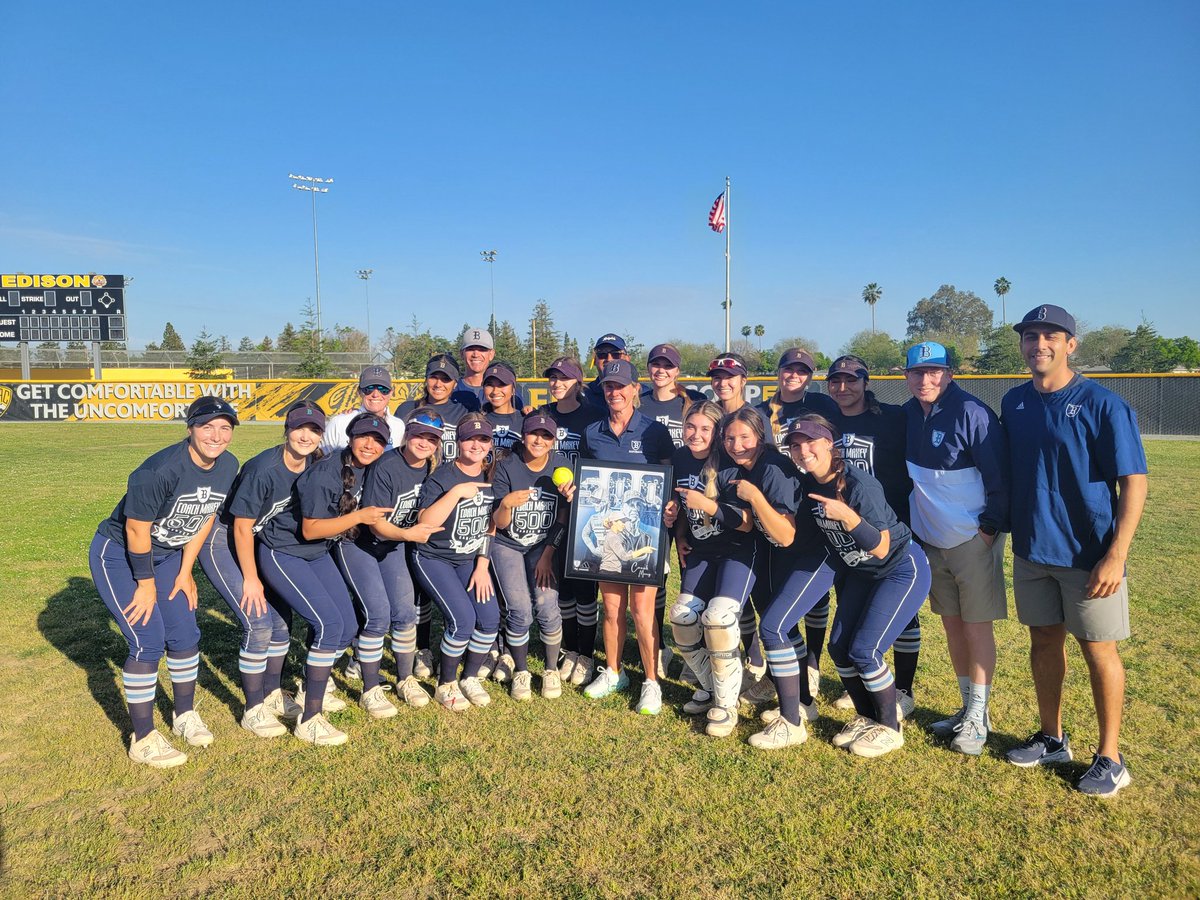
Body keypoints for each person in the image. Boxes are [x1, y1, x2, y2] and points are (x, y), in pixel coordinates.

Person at [1002, 304, 1147, 797]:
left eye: (1050, 335)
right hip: (1032, 550)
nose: (1039, 344)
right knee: (1043, 641)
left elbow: (1134, 482)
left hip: (1089, 556)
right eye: (1030, 336)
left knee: (1097, 650)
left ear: (1070, 344)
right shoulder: (1014, 402)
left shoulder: (1103, 404)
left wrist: (1116, 554)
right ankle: (1052, 737)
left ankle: (1111, 757)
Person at [89, 396, 240, 767]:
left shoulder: (228, 465)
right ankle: (142, 739)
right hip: (122, 556)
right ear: (190, 428)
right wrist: (145, 583)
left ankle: (184, 714)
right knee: (147, 641)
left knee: (185, 634)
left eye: (225, 428)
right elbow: (137, 529)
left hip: (170, 556)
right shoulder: (158, 471)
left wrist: (187, 569)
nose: (216, 436)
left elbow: (205, 516)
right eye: (207, 427)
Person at [796, 414, 932, 758]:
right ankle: (866, 716)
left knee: (865, 651)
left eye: (811, 441)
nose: (803, 450)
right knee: (840, 648)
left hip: (901, 568)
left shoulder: (858, 483)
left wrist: (849, 517)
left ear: (830, 443)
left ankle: (890, 726)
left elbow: (883, 547)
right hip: (862, 573)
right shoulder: (808, 483)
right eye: (795, 445)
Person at [257, 413, 391, 746]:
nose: (369, 444)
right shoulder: (327, 472)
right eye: (363, 437)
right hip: (284, 550)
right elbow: (310, 528)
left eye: (377, 440)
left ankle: (309, 686)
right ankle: (310, 719)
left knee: (346, 627)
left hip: (316, 553)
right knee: (329, 624)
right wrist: (360, 516)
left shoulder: (367, 468)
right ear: (350, 437)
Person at [903, 341, 1009, 756]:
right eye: (917, 372)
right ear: (906, 376)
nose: (925, 380)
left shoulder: (972, 412)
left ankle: (979, 716)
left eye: (934, 372)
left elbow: (999, 477)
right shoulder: (910, 413)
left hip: (971, 539)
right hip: (932, 540)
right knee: (951, 623)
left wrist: (988, 531)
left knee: (976, 626)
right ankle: (966, 707)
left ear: (950, 373)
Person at [199, 400, 324, 739]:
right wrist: (251, 579)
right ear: (286, 429)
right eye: (299, 428)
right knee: (258, 621)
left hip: (257, 540)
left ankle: (272, 692)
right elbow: (240, 527)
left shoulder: (313, 462)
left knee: (282, 623)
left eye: (314, 430)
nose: (306, 436)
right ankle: (252, 708)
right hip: (223, 539)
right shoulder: (264, 468)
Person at [826, 355, 920, 718]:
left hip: (890, 528)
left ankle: (904, 689)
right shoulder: (826, 421)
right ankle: (867, 680)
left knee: (902, 613)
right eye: (836, 381)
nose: (843, 387)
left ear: (866, 382)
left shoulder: (893, 417)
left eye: (852, 380)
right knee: (854, 603)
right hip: (843, 534)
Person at [579, 359, 674, 714]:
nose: (614, 392)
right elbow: (590, 479)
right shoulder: (592, 432)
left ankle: (651, 682)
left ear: (636, 389)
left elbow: (669, 479)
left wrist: (671, 506)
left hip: (646, 531)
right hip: (608, 534)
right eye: (608, 386)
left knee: (642, 608)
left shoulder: (655, 432)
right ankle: (615, 671)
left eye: (621, 386)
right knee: (613, 606)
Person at [339, 412, 446, 715]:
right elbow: (376, 524)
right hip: (360, 544)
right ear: (406, 434)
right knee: (378, 615)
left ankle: (405, 678)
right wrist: (409, 534)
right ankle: (370, 689)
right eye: (419, 435)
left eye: (432, 438)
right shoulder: (387, 466)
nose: (424, 442)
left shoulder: (432, 466)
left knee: (404, 613)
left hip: (394, 544)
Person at [668, 402, 761, 736]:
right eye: (691, 427)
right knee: (682, 617)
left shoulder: (729, 461)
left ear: (718, 432)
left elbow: (748, 523)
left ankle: (726, 705)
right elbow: (681, 508)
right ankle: (712, 686)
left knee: (718, 619)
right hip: (701, 550)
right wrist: (677, 529)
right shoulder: (679, 458)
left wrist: (708, 505)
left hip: (737, 550)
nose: (696, 434)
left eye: (705, 429)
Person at [411, 414, 499, 711]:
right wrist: (456, 493)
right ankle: (446, 682)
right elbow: (425, 524)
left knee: (488, 619)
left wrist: (483, 564)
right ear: (458, 441)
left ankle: (469, 676)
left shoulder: (492, 474)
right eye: (470, 438)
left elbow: (491, 524)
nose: (476, 444)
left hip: (470, 559)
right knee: (462, 620)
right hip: (434, 556)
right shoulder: (443, 477)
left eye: (483, 439)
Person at [396, 352, 475, 674]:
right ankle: (422, 648)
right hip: (415, 493)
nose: (438, 383)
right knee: (417, 587)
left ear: (454, 383)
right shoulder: (406, 410)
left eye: (445, 379)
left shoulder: (464, 410)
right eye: (434, 376)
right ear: (425, 378)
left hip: (449, 500)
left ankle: (445, 645)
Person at [489, 414, 571, 701]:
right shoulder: (507, 465)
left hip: (542, 545)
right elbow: (498, 523)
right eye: (534, 434)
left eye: (546, 436)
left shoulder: (562, 466)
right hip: (507, 543)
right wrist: (507, 504)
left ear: (554, 440)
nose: (539, 440)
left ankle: (550, 669)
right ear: (523, 435)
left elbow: (563, 515)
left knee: (548, 605)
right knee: (520, 609)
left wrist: (548, 553)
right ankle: (521, 670)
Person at [640, 342, 706, 678]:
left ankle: (704, 648)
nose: (661, 371)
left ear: (677, 370)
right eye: (656, 364)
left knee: (696, 572)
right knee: (656, 573)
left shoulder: (694, 402)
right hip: (653, 500)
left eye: (668, 365)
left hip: (692, 495)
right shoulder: (640, 400)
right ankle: (660, 647)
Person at [540, 355, 605, 686]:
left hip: (585, 510)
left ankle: (586, 654)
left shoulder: (593, 417)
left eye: (564, 378)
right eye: (552, 377)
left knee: (584, 585)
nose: (556, 383)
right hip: (553, 508)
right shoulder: (543, 415)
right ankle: (567, 647)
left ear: (578, 382)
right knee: (563, 584)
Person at [757, 347, 839, 447]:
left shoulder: (823, 404)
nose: (794, 375)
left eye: (802, 371)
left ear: (810, 378)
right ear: (778, 373)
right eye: (789, 369)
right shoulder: (761, 412)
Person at [322, 365, 406, 453]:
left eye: (383, 389)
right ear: (359, 391)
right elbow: (323, 459)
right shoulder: (339, 423)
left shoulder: (398, 426)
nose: (375, 394)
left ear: (391, 393)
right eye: (369, 389)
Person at [482, 362, 526, 456]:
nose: (495, 391)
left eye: (502, 384)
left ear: (513, 389)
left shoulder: (525, 420)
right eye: (490, 385)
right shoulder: (478, 420)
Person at [583, 334, 631, 409]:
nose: (609, 359)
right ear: (595, 360)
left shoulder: (643, 394)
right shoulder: (583, 395)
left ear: (627, 359)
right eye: (602, 355)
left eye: (616, 354)